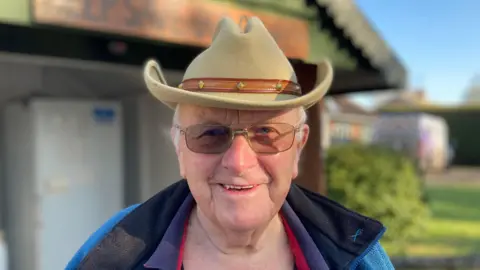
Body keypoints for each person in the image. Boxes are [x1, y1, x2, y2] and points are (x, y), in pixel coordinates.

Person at [66, 16, 394, 270]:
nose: (238, 162)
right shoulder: (114, 247)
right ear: (179, 146)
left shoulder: (358, 256)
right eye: (210, 134)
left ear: (298, 147)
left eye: (266, 133)